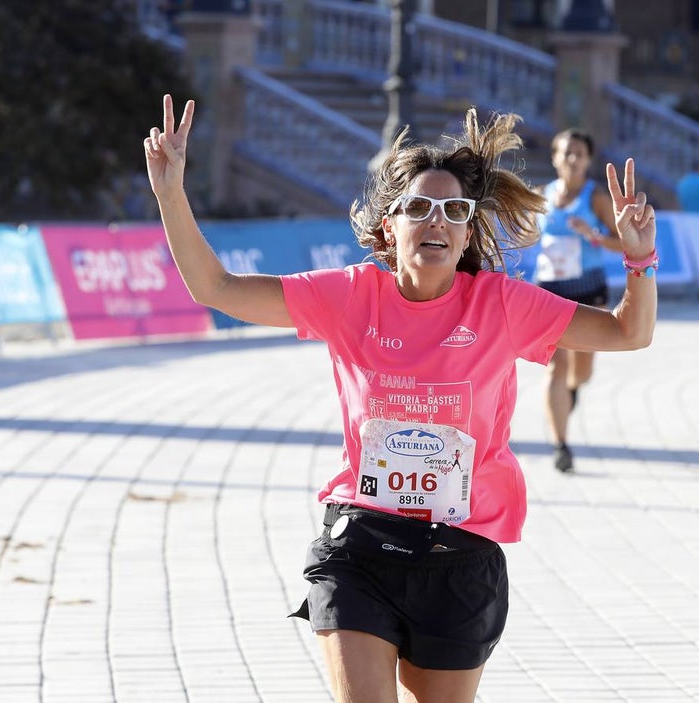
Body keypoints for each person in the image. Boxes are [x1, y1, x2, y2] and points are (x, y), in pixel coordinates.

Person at [144, 94, 657, 703]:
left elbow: (630, 332)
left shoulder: (501, 303)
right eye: (418, 206)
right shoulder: (351, 296)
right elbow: (217, 287)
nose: (436, 220)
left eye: (453, 209)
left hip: (461, 554)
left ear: (468, 228)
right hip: (361, 544)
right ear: (391, 223)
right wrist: (171, 194)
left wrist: (638, 258)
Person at [534, 128, 625, 473]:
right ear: (555, 158)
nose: (572, 159)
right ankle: (561, 444)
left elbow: (623, 242)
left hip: (588, 291)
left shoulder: (595, 197)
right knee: (555, 366)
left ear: (588, 160)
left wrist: (593, 236)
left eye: (579, 154)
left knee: (581, 371)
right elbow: (524, 234)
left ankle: (574, 390)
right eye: (566, 153)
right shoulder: (541, 195)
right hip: (549, 291)